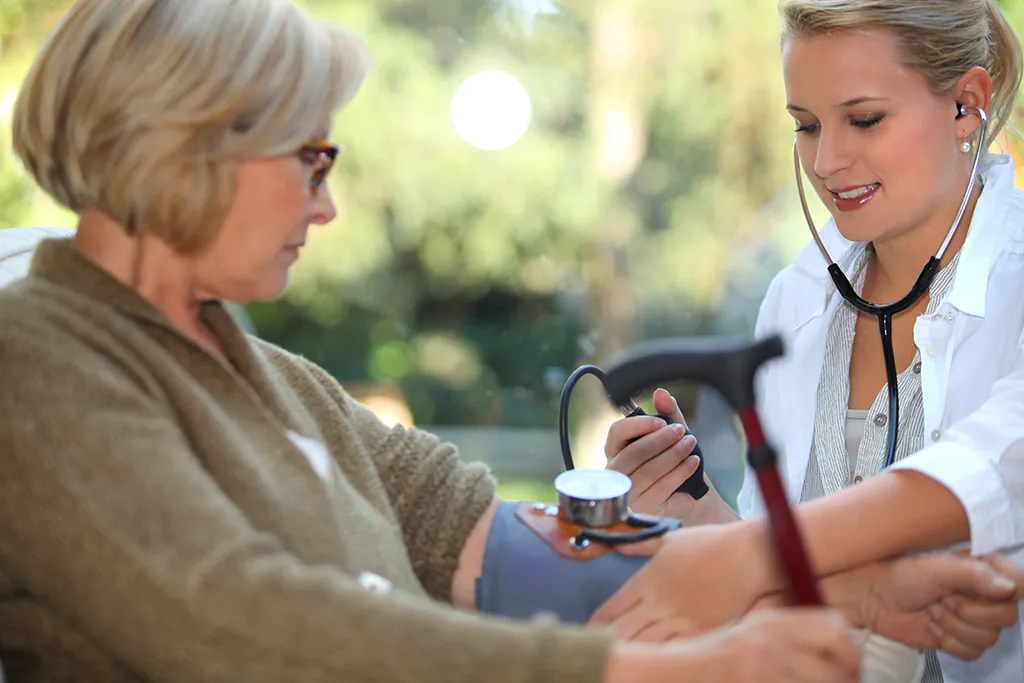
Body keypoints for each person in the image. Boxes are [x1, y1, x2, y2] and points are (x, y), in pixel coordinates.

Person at [0, 1, 1020, 682]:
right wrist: (655, 669)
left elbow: (477, 536)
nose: (329, 204)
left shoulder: (259, 371)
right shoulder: (36, 362)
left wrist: (854, 587)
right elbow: (234, 615)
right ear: (189, 147)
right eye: (310, 158)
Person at [601, 1, 1024, 682]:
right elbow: (785, 581)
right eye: (805, 125)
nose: (827, 160)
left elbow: (994, 471)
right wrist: (693, 512)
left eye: (864, 119)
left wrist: (731, 558)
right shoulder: (794, 303)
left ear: (966, 104)